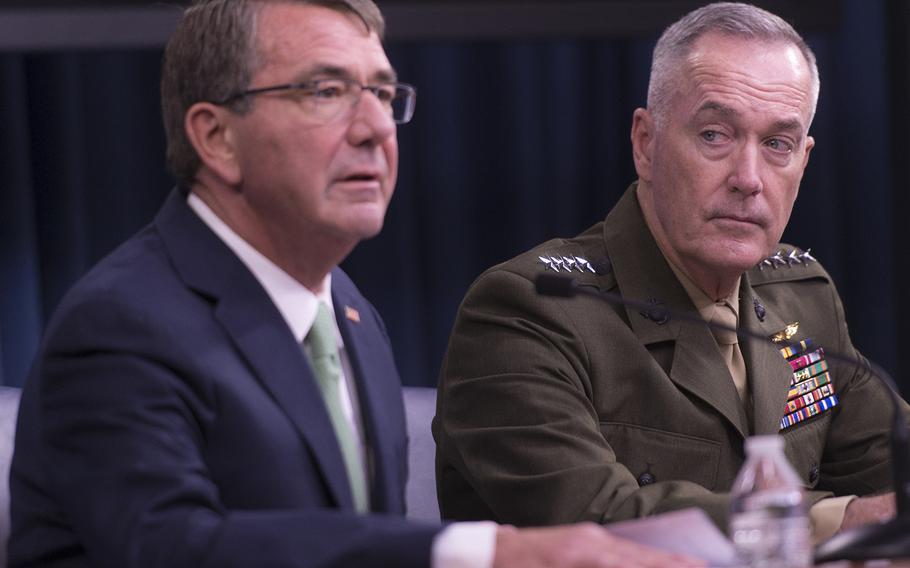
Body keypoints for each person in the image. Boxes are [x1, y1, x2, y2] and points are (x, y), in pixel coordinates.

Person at [7, 1, 700, 567]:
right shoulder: (122, 324)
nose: (375, 128)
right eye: (327, 91)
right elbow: (175, 549)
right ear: (216, 138)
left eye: (382, 93)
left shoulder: (351, 315)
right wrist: (491, 551)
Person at [434, 1, 907, 543]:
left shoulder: (802, 299)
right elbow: (597, 521)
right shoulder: (528, 312)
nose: (749, 178)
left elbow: (889, 456)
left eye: (777, 144)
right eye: (715, 135)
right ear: (645, 142)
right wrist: (834, 520)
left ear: (804, 159)